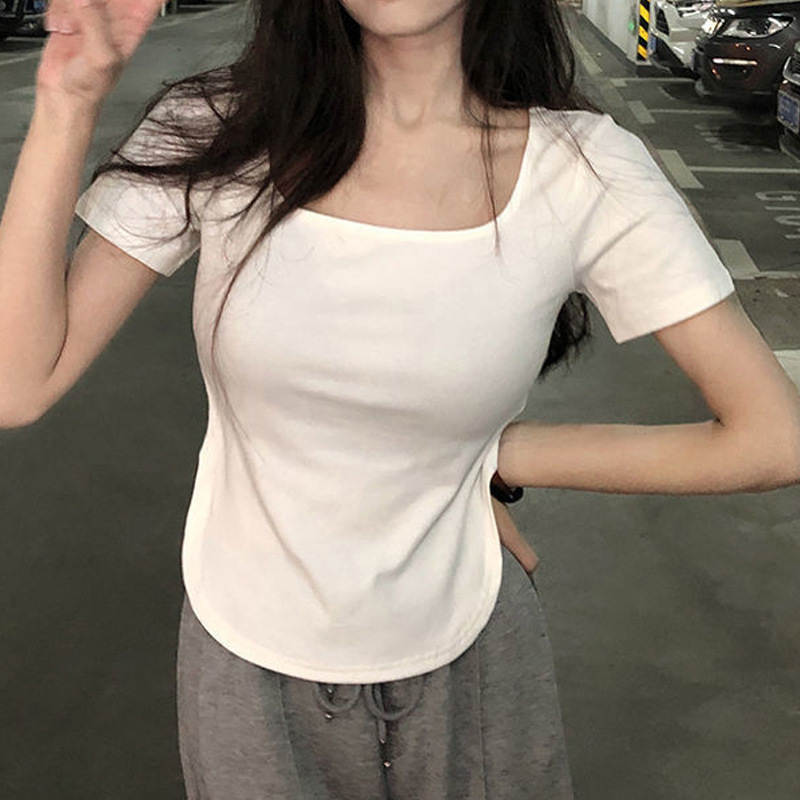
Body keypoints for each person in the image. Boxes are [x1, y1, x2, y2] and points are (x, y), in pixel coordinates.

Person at [2, 0, 798, 798]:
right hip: (246, 661)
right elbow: (17, 384)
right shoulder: (217, 126)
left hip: (472, 658)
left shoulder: (583, 168)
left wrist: (492, 456)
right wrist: (68, 103)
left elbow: (772, 436)